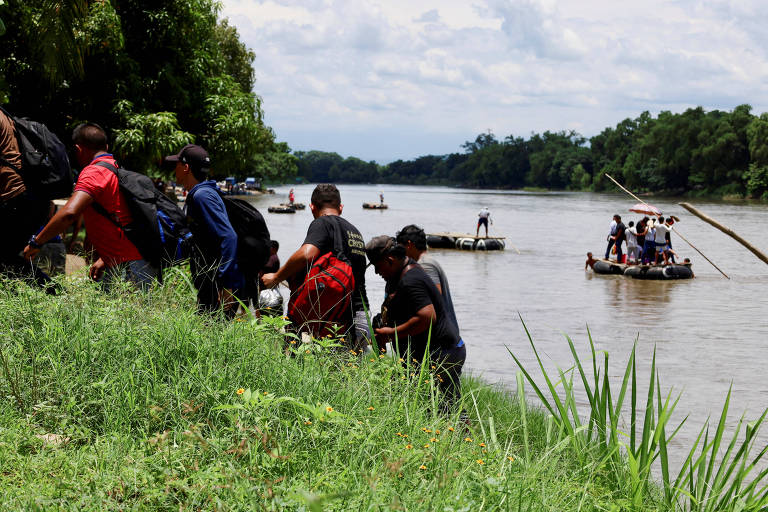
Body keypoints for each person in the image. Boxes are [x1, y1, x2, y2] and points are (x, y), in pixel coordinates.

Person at [23, 123, 158, 288]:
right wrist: (105, 258)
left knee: (128, 312)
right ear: (106, 147)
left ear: (78, 149)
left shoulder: (93, 172)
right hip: (136, 259)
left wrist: (37, 242)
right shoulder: (115, 168)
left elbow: (70, 213)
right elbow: (121, 218)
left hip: (129, 265)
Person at [262, 184, 369, 349]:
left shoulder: (322, 223)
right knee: (349, 371)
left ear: (312, 207)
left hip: (335, 318)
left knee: (316, 367)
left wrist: (276, 277)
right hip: (361, 316)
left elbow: (307, 253)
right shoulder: (355, 232)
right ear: (340, 207)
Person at [366, 235, 465, 414]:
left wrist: (391, 333)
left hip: (441, 354)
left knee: (444, 413)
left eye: (376, 265)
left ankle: (465, 439)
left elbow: (426, 317)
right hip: (435, 353)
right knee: (438, 410)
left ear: (390, 260)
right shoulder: (400, 275)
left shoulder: (412, 279)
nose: (375, 272)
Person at [165, 144, 243, 317]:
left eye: (176, 165)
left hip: (219, 285)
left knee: (212, 334)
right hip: (211, 283)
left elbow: (229, 237)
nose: (174, 170)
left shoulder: (202, 196)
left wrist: (226, 284)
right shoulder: (203, 193)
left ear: (186, 168)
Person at [0, 108, 55, 289]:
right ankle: (52, 293)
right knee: (6, 257)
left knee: (4, 257)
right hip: (33, 198)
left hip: (16, 199)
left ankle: (53, 293)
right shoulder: (7, 117)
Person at [396, 224, 461, 336]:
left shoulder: (425, 265)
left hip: (442, 337)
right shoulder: (426, 261)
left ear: (409, 245)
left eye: (401, 247)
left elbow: (435, 298)